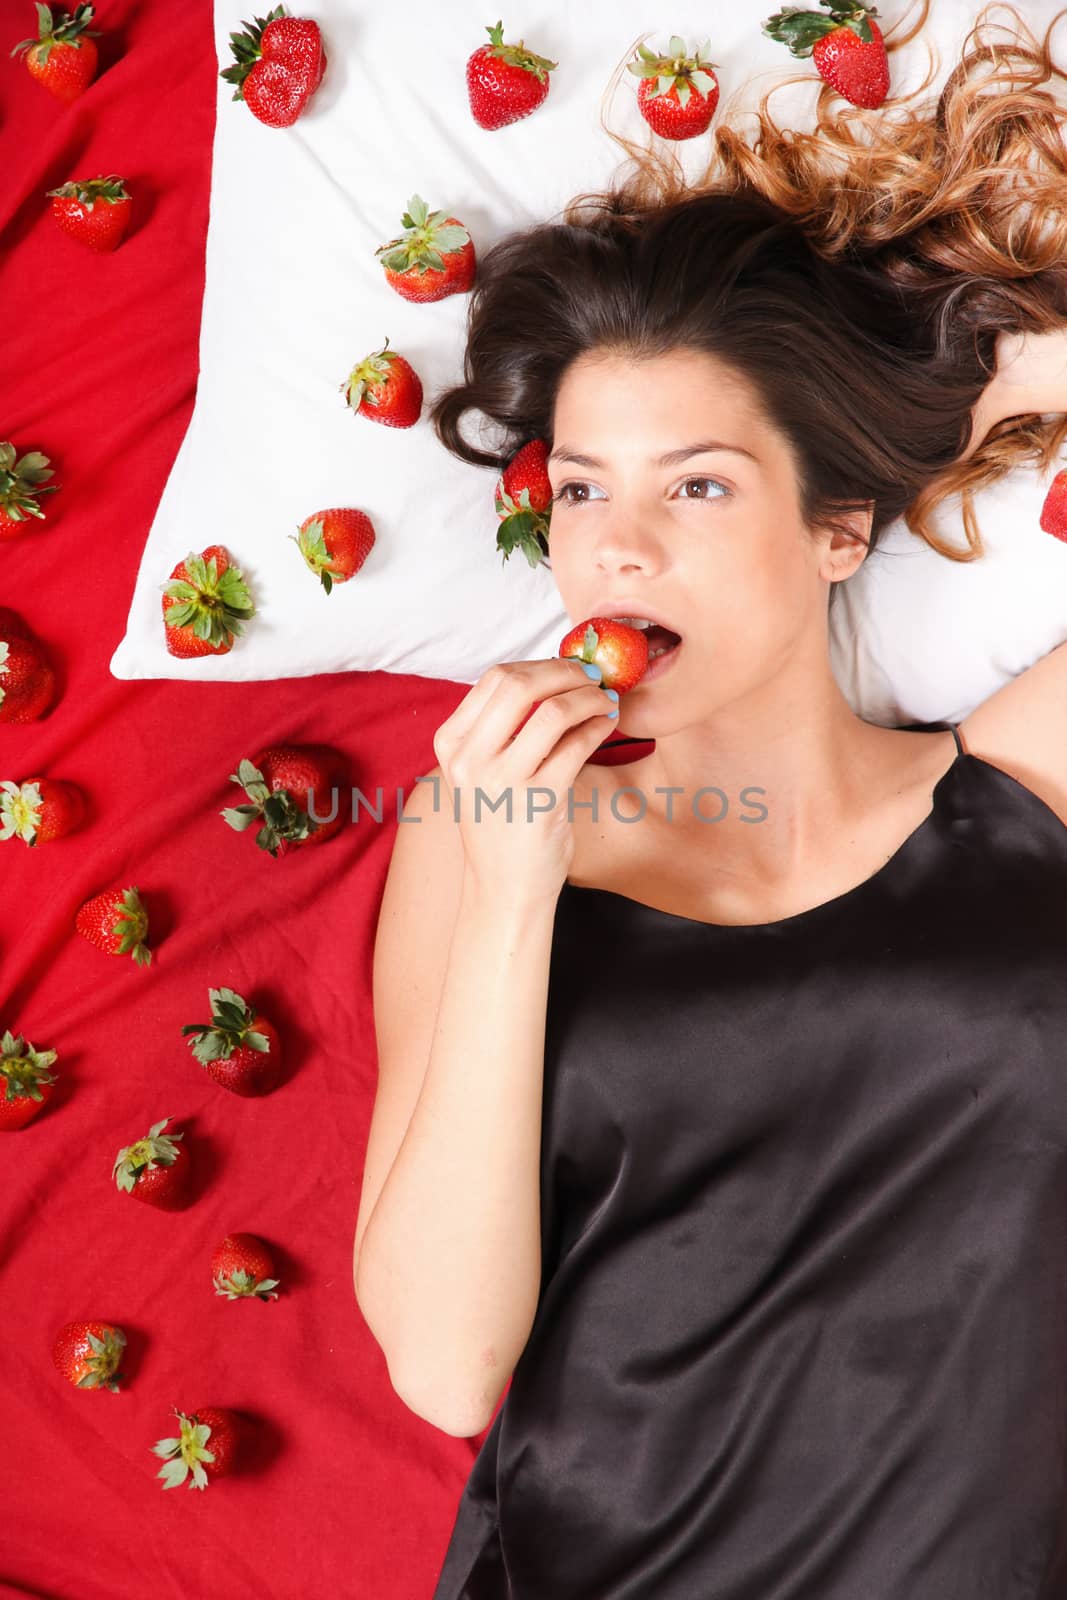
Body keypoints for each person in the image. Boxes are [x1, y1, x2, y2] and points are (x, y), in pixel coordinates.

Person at [353, 2, 1067, 1593]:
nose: (617, 548)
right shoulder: (477, 834)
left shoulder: (1029, 782)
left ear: (836, 535)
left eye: (698, 486)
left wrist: (997, 381)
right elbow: (444, 1368)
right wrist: (517, 889)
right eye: (585, 490)